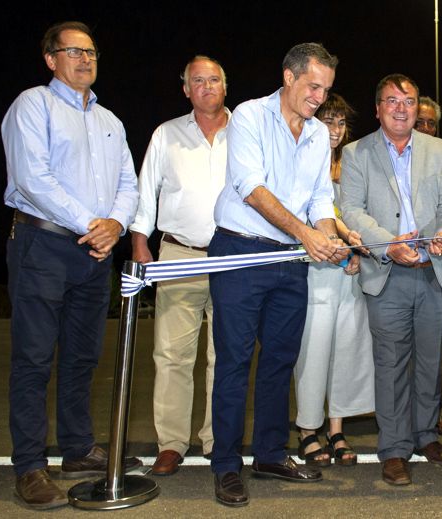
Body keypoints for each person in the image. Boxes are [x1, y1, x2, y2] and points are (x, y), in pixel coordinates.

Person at [1, 21, 140, 509]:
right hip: (44, 244)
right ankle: (29, 466)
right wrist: (93, 224)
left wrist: (115, 226)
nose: (85, 59)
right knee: (34, 357)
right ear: (51, 59)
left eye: (91, 52)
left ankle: (78, 449)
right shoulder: (32, 105)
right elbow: (32, 178)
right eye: (74, 51)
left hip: (95, 252)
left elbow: (128, 182)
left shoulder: (109, 120)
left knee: (83, 356)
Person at [208, 42, 347, 508]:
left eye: (326, 90)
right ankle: (226, 465)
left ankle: (269, 454)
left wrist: (328, 237)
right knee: (234, 361)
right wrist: (307, 234)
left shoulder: (316, 134)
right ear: (288, 77)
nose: (319, 98)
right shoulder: (249, 116)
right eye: (313, 86)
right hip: (241, 252)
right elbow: (251, 187)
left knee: (280, 359)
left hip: (289, 260)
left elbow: (321, 198)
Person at [340, 74, 442, 486]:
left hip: (433, 272)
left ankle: (426, 435)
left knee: (430, 362)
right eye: (391, 101)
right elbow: (351, 211)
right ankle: (394, 448)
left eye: (408, 101)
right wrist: (387, 244)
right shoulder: (357, 153)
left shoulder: (440, 150)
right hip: (387, 274)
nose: (400, 108)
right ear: (378, 109)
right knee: (390, 364)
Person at [129, 55, 231, 475]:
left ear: (225, 86)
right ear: (186, 90)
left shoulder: (246, 133)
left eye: (214, 79)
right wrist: (140, 244)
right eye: (198, 81)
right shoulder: (166, 134)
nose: (207, 86)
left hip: (233, 257)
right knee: (171, 354)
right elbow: (145, 191)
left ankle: (217, 439)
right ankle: (171, 443)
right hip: (179, 256)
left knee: (226, 355)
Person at [293, 93, 375, 467]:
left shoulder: (351, 164)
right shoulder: (301, 160)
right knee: (313, 352)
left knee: (347, 350)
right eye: (328, 121)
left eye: (341, 123)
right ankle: (308, 429)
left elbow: (359, 216)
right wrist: (338, 238)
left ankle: (336, 428)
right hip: (313, 270)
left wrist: (357, 253)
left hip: (348, 273)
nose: (336, 130)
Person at [413, 95, 442, 438]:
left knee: (432, 354)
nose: (426, 128)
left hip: (436, 267)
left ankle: (433, 414)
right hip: (394, 267)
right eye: (420, 122)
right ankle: (403, 419)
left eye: (431, 123)